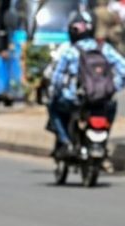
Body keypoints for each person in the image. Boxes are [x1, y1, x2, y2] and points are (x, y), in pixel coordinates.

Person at [48, 13, 125, 157]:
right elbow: (123, 70)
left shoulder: (69, 50)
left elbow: (56, 78)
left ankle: (66, 142)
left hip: (75, 100)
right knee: (111, 110)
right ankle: (103, 143)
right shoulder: (104, 48)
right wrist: (112, 88)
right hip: (103, 100)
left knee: (53, 107)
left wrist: (55, 91)